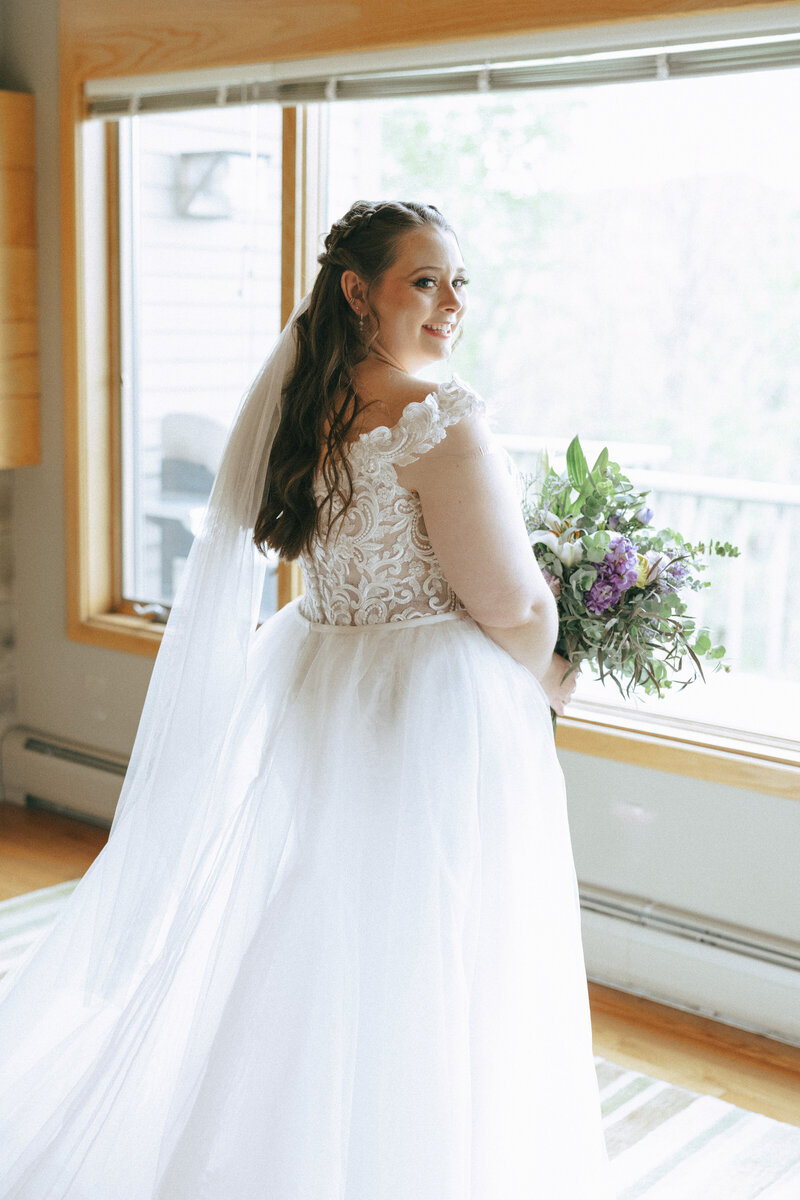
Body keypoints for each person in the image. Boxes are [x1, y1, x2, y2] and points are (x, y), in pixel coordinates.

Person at [0, 200, 612, 1198]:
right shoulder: (437, 420)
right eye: (426, 280)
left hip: (318, 681)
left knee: (318, 918)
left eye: (460, 281)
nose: (453, 302)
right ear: (357, 289)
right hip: (425, 706)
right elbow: (505, 598)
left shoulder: (305, 399)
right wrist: (551, 672)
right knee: (435, 938)